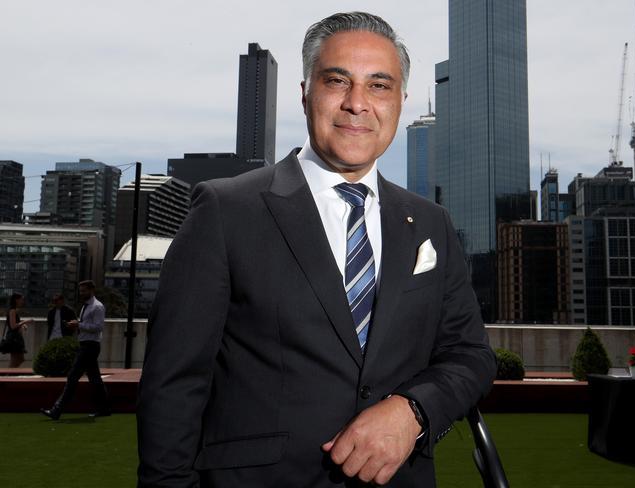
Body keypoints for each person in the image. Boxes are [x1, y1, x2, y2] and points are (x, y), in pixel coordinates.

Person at [137, 11, 496, 487]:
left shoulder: (431, 222)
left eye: (379, 86)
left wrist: (413, 411)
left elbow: (470, 355)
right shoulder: (226, 210)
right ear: (306, 92)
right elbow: (173, 384)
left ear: (401, 102)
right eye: (337, 80)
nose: (357, 104)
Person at [41, 280, 111, 420]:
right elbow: (89, 325)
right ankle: (104, 409)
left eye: (84, 290)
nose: (81, 293)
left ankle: (57, 410)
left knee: (73, 376)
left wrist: (79, 325)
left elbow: (98, 327)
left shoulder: (97, 307)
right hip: (86, 344)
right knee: (95, 378)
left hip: (90, 346)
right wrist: (77, 325)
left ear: (92, 290)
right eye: (80, 290)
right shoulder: (86, 306)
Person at [1, 293, 34, 367]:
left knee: (19, 359)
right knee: (16, 359)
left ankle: (9, 375)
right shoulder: (12, 310)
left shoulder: (13, 310)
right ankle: (8, 376)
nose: (22, 301)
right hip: (14, 339)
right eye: (21, 299)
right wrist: (25, 321)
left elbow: (15, 322)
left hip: (16, 338)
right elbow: (13, 326)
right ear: (16, 300)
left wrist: (22, 324)